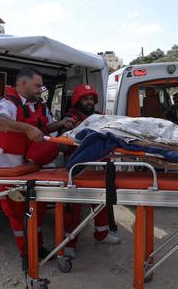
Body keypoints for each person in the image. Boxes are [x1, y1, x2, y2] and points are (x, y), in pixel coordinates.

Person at [0, 67, 75, 258]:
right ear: (22, 84)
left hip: (33, 167)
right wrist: (26, 128)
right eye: (37, 85)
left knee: (37, 208)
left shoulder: (40, 106)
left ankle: (37, 245)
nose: (40, 89)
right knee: (18, 213)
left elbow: (44, 128)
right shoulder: (7, 104)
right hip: (9, 167)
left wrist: (60, 124)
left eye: (41, 86)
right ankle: (27, 252)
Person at [62, 84, 122, 259]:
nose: (89, 102)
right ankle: (69, 244)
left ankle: (102, 235)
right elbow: (61, 145)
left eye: (91, 99)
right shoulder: (69, 120)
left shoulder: (100, 118)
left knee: (101, 204)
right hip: (78, 170)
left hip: (99, 168)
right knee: (73, 209)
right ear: (77, 101)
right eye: (85, 99)